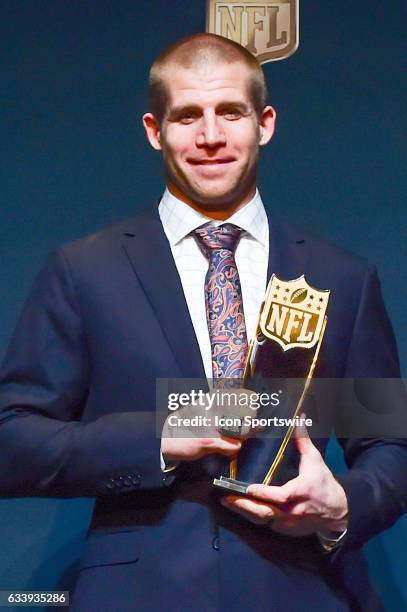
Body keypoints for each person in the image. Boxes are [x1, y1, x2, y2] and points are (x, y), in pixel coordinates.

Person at [0, 33, 406, 612]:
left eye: (230, 113)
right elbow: (12, 441)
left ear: (264, 123)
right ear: (154, 130)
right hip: (137, 595)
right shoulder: (84, 270)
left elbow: (392, 445)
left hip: (301, 589)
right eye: (188, 115)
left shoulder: (340, 275)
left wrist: (342, 505)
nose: (210, 136)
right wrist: (159, 436)